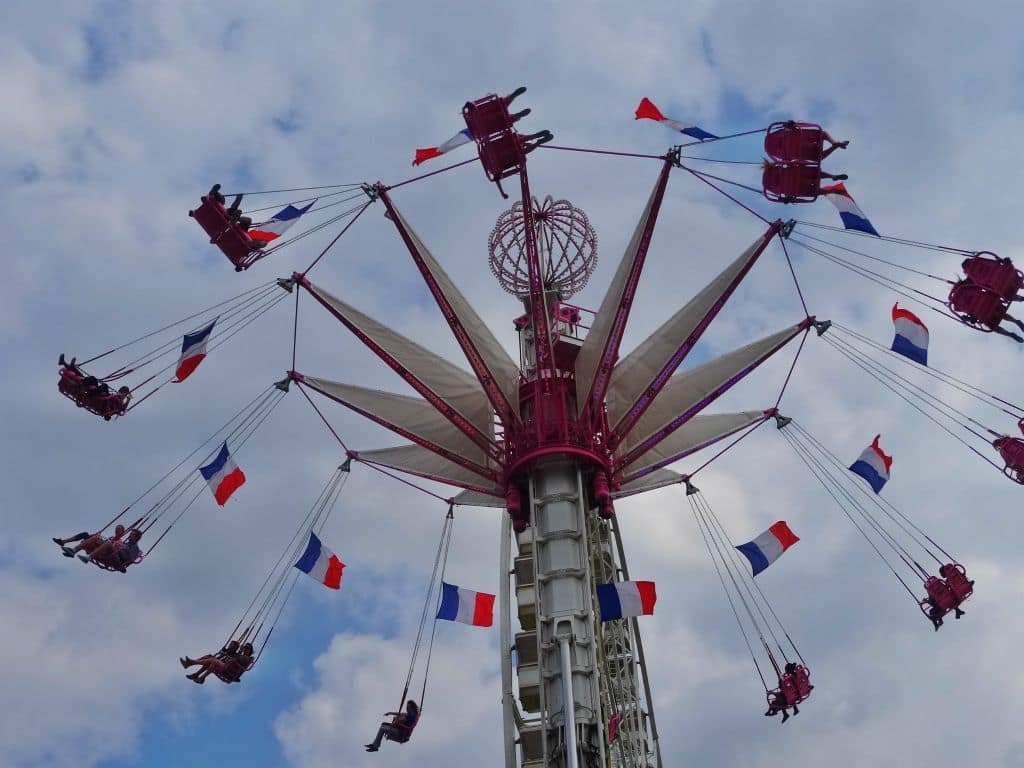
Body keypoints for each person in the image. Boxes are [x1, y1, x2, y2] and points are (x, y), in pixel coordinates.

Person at [181, 641, 254, 684]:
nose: (245, 650)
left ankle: (191, 663)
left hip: (229, 671)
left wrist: (239, 653)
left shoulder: (246, 658)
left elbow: (240, 660)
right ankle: (196, 674)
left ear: (250, 651)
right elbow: (234, 656)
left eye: (247, 649)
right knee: (208, 657)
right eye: (245, 648)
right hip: (225, 666)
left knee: (214, 661)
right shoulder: (240, 654)